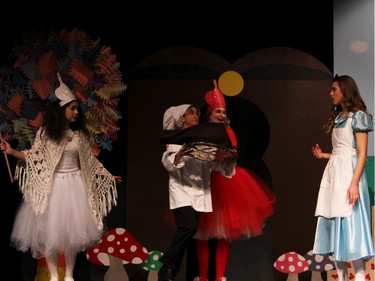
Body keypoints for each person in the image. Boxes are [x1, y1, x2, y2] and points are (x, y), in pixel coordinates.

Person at [0, 73, 121, 281]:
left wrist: (107, 175)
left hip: (74, 184)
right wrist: (12, 152)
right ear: (61, 110)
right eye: (71, 108)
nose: (75, 112)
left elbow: (90, 162)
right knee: (51, 235)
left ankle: (69, 276)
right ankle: (55, 276)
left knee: (71, 237)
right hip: (54, 186)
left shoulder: (79, 136)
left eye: (76, 108)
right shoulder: (46, 134)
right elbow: (33, 156)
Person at [193, 80, 276, 281]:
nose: (222, 115)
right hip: (205, 183)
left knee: (223, 233)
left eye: (223, 112)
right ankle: (204, 276)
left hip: (225, 182)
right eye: (217, 112)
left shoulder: (229, 132)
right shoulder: (201, 133)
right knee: (202, 234)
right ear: (209, 115)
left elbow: (233, 154)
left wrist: (228, 157)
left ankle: (220, 276)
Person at [158, 104, 236, 281]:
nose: (195, 116)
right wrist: (179, 155)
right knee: (188, 227)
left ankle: (169, 271)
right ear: (182, 119)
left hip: (200, 193)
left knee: (190, 234)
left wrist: (229, 161)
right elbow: (169, 164)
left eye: (196, 113)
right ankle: (167, 265)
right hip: (181, 191)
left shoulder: (205, 139)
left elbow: (215, 165)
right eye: (190, 113)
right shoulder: (176, 139)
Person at [311, 74, 374, 281]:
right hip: (334, 175)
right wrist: (324, 155)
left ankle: (360, 276)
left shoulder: (358, 116)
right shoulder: (339, 118)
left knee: (352, 225)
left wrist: (354, 183)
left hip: (349, 175)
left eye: (334, 89)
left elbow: (361, 153)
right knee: (336, 224)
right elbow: (341, 151)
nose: (330, 94)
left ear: (345, 91)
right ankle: (341, 277)